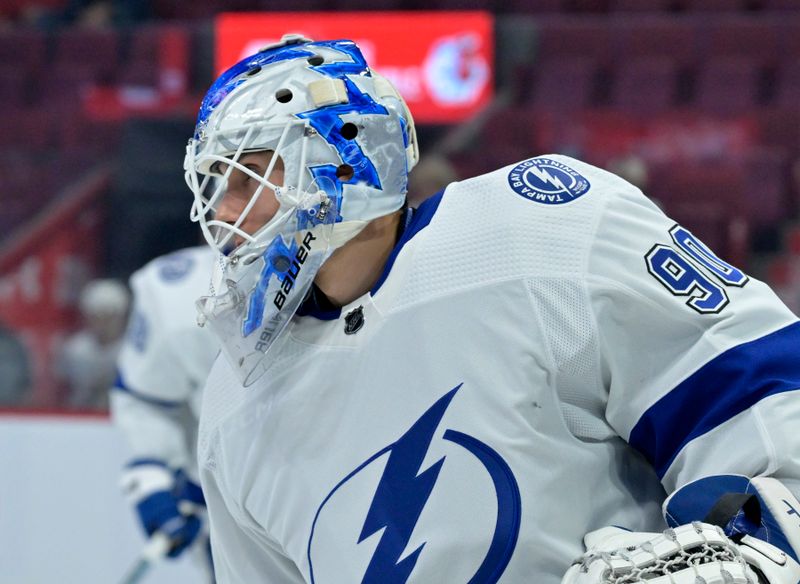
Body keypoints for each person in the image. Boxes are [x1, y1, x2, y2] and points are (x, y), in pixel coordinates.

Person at [184, 35, 800, 583]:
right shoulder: (235, 404)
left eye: (247, 177)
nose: (223, 213)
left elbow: (757, 398)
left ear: (345, 160)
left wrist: (749, 541)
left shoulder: (536, 228)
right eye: (214, 186)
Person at [110, 245, 218, 581]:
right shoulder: (177, 289)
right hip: (229, 512)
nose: (227, 213)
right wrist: (155, 475)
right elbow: (147, 400)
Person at [57, 278, 129, 409]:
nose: (103, 324)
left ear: (122, 317)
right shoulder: (74, 350)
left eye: (109, 316)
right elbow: (60, 392)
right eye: (97, 316)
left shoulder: (132, 352)